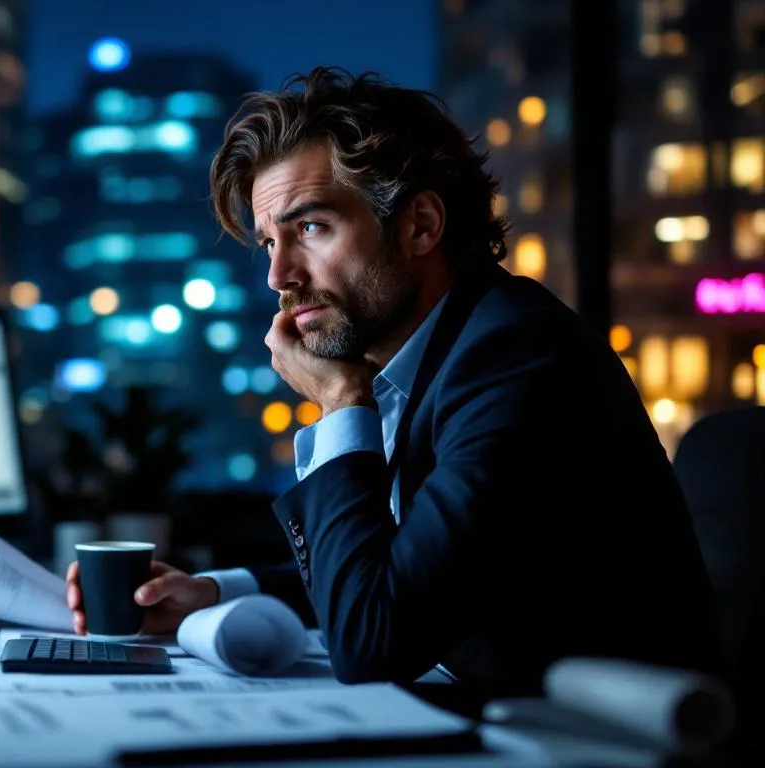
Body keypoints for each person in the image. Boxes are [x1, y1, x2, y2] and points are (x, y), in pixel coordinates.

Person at [65, 67, 723, 696]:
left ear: (420, 225)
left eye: (312, 227)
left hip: (612, 739)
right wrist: (212, 591)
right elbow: (401, 572)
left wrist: (338, 402)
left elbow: (373, 638)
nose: (279, 277)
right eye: (270, 242)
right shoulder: (438, 353)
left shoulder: (518, 355)